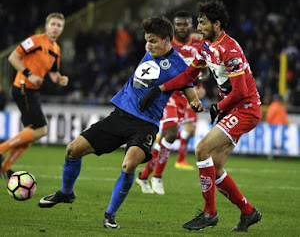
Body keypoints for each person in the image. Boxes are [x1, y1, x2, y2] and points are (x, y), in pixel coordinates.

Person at [38, 16, 205, 229]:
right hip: (119, 117)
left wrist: (196, 104)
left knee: (129, 164)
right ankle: (66, 192)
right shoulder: (150, 52)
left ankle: (110, 214)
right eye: (147, 40)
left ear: (166, 39)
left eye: (153, 41)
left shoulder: (179, 66)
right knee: (72, 150)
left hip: (145, 124)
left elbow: (190, 91)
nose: (148, 45)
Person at [139, 0, 262, 232]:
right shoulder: (206, 46)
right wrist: (159, 89)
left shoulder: (230, 49)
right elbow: (188, 76)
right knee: (214, 166)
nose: (198, 25)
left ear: (216, 24)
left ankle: (209, 213)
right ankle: (248, 212)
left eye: (202, 22)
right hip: (233, 108)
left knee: (201, 149)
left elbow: (241, 92)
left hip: (245, 109)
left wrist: (218, 107)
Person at [135, 11, 207, 195]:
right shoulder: (166, 44)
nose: (182, 27)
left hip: (184, 97)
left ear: (190, 26)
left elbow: (202, 70)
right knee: (172, 133)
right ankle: (157, 177)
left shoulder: (198, 45)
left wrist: (198, 85)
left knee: (167, 138)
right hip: (167, 95)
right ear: (174, 26)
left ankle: (144, 175)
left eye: (185, 24)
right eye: (178, 24)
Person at [0, 13, 68, 178]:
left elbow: (53, 74)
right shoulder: (35, 41)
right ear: (46, 26)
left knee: (31, 133)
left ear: (62, 29)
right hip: (23, 87)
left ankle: (4, 168)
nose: (55, 28)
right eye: (53, 24)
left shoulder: (56, 50)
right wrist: (28, 74)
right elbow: (13, 57)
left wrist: (60, 79)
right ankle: (1, 150)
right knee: (41, 129)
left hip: (32, 91)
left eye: (59, 25)